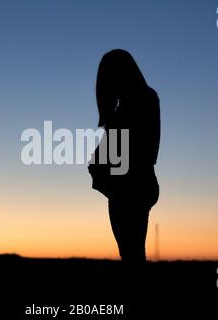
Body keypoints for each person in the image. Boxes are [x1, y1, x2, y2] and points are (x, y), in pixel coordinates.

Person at [88, 49, 160, 267]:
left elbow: (145, 153)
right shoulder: (128, 106)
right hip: (127, 188)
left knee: (132, 258)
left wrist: (101, 166)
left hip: (130, 189)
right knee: (132, 256)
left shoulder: (140, 102)